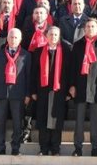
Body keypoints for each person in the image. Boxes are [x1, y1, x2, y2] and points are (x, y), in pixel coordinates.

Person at [70, 18, 97, 156]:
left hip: (96, 86)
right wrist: (72, 85)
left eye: (93, 26)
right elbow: (73, 67)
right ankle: (78, 148)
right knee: (79, 120)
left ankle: (95, 148)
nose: (90, 28)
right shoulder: (77, 45)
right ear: (84, 29)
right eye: (88, 26)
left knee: (95, 121)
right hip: (80, 86)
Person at [0, 27, 32, 156]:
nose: (13, 40)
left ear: (20, 40)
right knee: (0, 122)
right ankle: (0, 147)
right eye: (11, 37)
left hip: (18, 94)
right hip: (1, 92)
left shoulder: (26, 55)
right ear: (7, 39)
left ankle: (15, 148)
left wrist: (27, 94)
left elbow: (28, 76)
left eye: (16, 37)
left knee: (17, 122)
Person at [32, 25, 72, 155]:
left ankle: (55, 148)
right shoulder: (38, 51)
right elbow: (34, 72)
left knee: (57, 120)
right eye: (51, 34)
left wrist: (68, 93)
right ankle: (43, 148)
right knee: (43, 119)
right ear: (46, 36)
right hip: (42, 90)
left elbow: (69, 73)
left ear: (59, 36)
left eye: (56, 35)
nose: (53, 37)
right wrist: (33, 91)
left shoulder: (66, 51)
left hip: (59, 91)